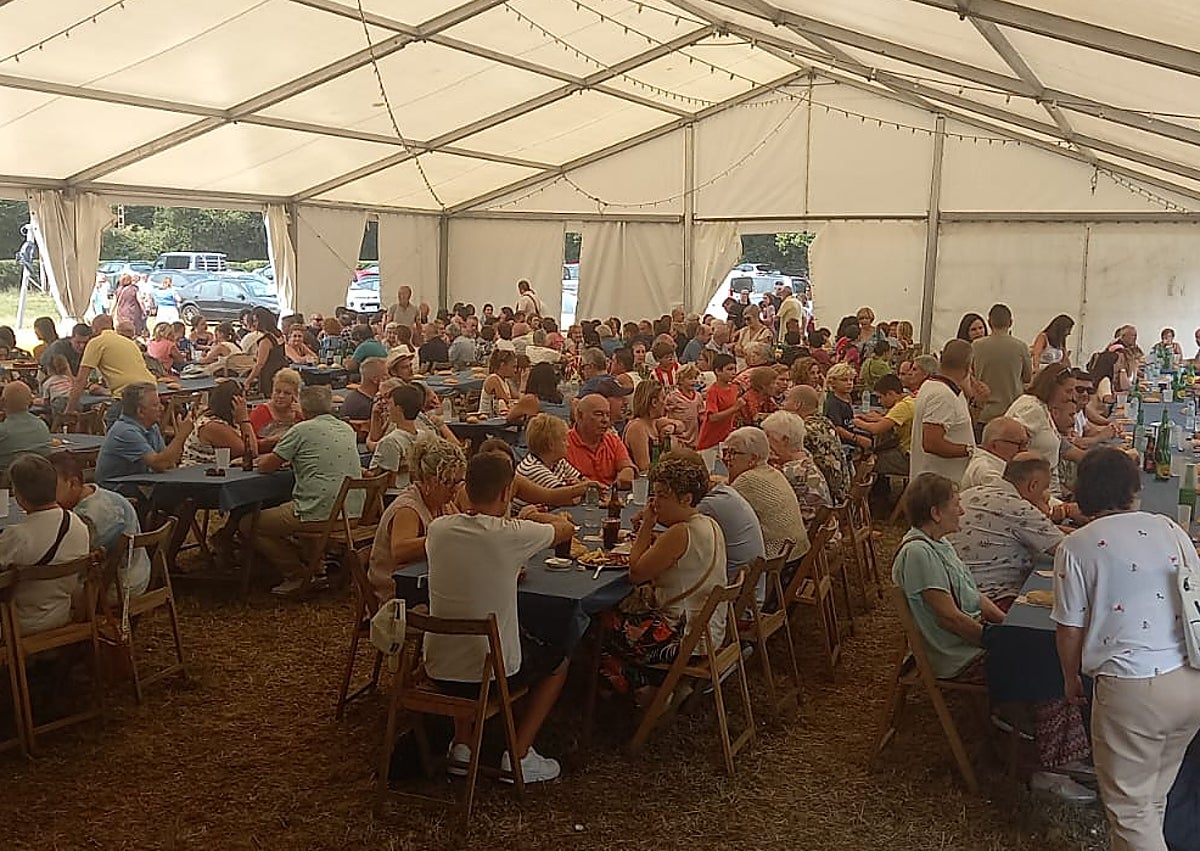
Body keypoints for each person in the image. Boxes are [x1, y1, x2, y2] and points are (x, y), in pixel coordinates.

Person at [893, 472, 1094, 803]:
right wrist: (995, 640)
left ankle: (1062, 755)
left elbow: (973, 593)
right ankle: (1047, 771)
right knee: (1049, 665)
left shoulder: (939, 544)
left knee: (1050, 653)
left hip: (972, 644)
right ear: (935, 512)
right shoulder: (918, 553)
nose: (962, 511)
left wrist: (1007, 625)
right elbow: (951, 617)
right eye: (956, 505)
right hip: (956, 657)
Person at [1054, 447, 1200, 845]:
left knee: (1132, 810)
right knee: (1151, 800)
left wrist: (1071, 680)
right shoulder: (1170, 528)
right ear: (1134, 490)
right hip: (1190, 677)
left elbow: (1069, 628)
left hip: (1132, 687)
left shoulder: (1076, 546)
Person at [425, 451, 574, 783]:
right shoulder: (511, 533)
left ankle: (462, 743)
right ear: (507, 493)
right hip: (493, 672)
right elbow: (565, 530)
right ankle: (519, 754)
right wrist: (539, 517)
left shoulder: (438, 529)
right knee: (559, 658)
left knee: (468, 629)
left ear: (466, 488)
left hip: (438, 666)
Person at [600, 456, 727, 703]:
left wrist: (647, 525)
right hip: (709, 632)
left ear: (686, 499)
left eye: (661, 496)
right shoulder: (708, 524)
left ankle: (639, 688)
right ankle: (651, 685)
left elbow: (635, 573)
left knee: (597, 621)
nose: (655, 503)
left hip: (679, 638)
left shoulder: (681, 532)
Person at [245, 386, 365, 596]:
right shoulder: (346, 428)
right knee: (295, 505)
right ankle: (316, 567)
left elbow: (267, 466)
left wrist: (258, 460)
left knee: (248, 524)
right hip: (352, 511)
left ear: (302, 407)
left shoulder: (301, 430)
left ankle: (297, 573)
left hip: (319, 511)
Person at [948, 453, 1064, 605]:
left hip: (955, 593)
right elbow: (1068, 549)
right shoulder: (1018, 508)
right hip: (991, 600)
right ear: (1033, 485)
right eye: (1045, 488)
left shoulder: (970, 493)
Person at [0, 454, 91, 635]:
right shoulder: (78, 524)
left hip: (17, 623)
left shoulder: (17, 536)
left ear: (19, 497)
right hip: (61, 614)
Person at [366, 435, 464, 603]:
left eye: (458, 482)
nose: (455, 489)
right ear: (428, 480)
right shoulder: (408, 508)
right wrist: (443, 538)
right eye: (449, 482)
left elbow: (460, 527)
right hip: (399, 593)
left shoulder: (442, 502)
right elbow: (400, 551)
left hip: (424, 581)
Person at [52, 451, 149, 604]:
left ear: (73, 483)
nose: (48, 495)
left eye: (53, 488)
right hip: (139, 574)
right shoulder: (107, 496)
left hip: (115, 588)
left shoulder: (84, 519)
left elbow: (69, 564)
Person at [723, 427, 809, 562]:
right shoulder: (772, 472)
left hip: (776, 565)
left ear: (753, 458)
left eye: (733, 453)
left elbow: (721, 513)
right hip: (797, 555)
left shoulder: (747, 480)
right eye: (725, 452)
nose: (727, 459)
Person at [95, 383, 193, 488]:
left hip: (141, 483)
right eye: (155, 405)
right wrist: (181, 435)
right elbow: (160, 464)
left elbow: (167, 463)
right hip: (116, 491)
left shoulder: (152, 426)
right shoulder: (125, 431)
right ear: (140, 411)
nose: (162, 408)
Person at [67, 314, 157, 425]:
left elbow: (81, 379)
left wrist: (70, 409)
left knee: (114, 422)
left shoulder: (96, 342)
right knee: (147, 427)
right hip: (151, 388)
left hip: (128, 392)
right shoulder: (129, 342)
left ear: (94, 329)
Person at [1004, 361, 1076, 498]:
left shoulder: (1041, 408)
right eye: (1068, 391)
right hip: (1037, 495)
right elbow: (1010, 446)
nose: (1071, 397)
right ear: (1052, 387)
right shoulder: (1031, 409)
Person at [910, 339, 975, 483]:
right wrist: (969, 450)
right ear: (968, 366)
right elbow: (932, 443)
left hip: (941, 482)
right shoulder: (942, 395)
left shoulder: (934, 386)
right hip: (939, 485)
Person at [782, 383, 850, 505]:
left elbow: (791, 458)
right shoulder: (825, 421)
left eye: (786, 400)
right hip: (842, 491)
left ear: (797, 405)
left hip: (830, 499)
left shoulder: (805, 431)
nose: (782, 405)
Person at [761, 411, 831, 522]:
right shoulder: (805, 456)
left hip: (807, 533)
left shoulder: (791, 472)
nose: (765, 442)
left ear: (785, 440)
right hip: (823, 530)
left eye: (768, 436)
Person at [972, 303, 1033, 427]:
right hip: (1012, 412)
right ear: (1010, 322)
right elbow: (1027, 377)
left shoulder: (976, 346)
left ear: (989, 323)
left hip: (984, 413)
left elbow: (970, 375)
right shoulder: (1021, 347)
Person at [513, 414, 593, 506]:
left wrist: (578, 486)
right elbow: (565, 499)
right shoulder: (533, 468)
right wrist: (579, 488)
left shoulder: (559, 462)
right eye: (564, 440)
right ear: (551, 445)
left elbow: (583, 480)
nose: (568, 444)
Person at [179, 380, 257, 468]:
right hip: (197, 475)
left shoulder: (226, 422)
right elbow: (251, 452)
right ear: (234, 403)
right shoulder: (213, 426)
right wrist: (244, 420)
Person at [566, 394, 636, 489]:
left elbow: (627, 468)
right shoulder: (564, 443)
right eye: (598, 414)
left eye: (607, 415)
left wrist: (619, 482)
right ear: (579, 415)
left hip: (610, 496)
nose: (605, 420)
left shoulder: (613, 440)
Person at [853, 373, 913, 477]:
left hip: (907, 457)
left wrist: (858, 422)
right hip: (911, 452)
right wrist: (872, 418)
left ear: (890, 394)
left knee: (868, 462)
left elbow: (876, 429)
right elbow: (890, 420)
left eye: (880, 397)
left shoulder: (902, 407)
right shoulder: (908, 400)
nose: (879, 401)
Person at [368, 383, 425, 488]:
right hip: (411, 489)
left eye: (390, 404)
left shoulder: (391, 442)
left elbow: (385, 481)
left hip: (392, 495)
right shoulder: (423, 436)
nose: (387, 408)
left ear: (399, 409)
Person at [623, 380, 680, 474]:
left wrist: (671, 427)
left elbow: (681, 426)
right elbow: (644, 467)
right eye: (663, 398)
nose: (666, 403)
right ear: (654, 402)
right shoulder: (637, 428)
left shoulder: (655, 422)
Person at [695, 353, 744, 464]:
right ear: (718, 371)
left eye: (735, 369)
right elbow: (712, 417)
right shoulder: (713, 391)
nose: (733, 372)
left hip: (726, 437)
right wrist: (735, 408)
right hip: (710, 439)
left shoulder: (734, 388)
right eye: (729, 369)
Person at [960, 415, 1029, 490]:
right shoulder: (986, 470)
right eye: (1019, 444)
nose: (1024, 450)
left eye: (1026, 444)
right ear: (994, 445)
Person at [0, 381, 51, 476]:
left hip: (8, 483)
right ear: (30, 402)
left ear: (2, 402)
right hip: (40, 480)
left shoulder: (3, 430)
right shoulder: (42, 425)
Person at [247, 367, 303, 451]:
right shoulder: (261, 412)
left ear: (295, 396)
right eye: (277, 391)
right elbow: (247, 443)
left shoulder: (300, 415)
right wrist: (266, 442)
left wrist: (303, 415)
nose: (281, 396)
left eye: (287, 393)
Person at [824, 362, 871, 451]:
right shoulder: (833, 403)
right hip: (841, 442)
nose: (849, 383)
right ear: (833, 382)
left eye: (851, 380)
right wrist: (857, 439)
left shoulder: (846, 399)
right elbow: (837, 428)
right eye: (844, 380)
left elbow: (847, 421)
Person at [244, 308, 287, 396]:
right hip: (281, 373)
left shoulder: (266, 341)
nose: (254, 324)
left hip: (269, 376)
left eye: (255, 321)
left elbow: (259, 365)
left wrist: (248, 381)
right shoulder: (279, 335)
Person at [664, 363, 702, 448]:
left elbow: (701, 415)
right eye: (690, 378)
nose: (694, 381)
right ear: (680, 380)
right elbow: (664, 412)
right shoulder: (673, 396)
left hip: (694, 438)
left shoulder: (698, 396)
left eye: (695, 378)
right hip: (679, 439)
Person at [340, 357, 386, 422]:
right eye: (385, 376)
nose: (390, 379)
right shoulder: (369, 408)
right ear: (375, 379)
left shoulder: (352, 397)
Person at [479, 349, 518, 418]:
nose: (515, 370)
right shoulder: (493, 379)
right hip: (487, 420)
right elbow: (507, 400)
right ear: (502, 365)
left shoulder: (506, 381)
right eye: (513, 367)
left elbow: (518, 397)